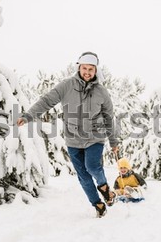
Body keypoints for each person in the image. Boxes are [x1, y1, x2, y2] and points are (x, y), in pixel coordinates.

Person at [17, 51, 118, 218]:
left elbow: (108, 117)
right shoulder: (66, 86)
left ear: (96, 71)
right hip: (73, 139)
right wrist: (28, 115)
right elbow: (46, 101)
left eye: (91, 69)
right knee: (83, 176)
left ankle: (104, 186)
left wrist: (113, 142)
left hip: (95, 137)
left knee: (92, 167)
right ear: (79, 68)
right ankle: (98, 204)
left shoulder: (101, 92)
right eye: (84, 68)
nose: (87, 72)